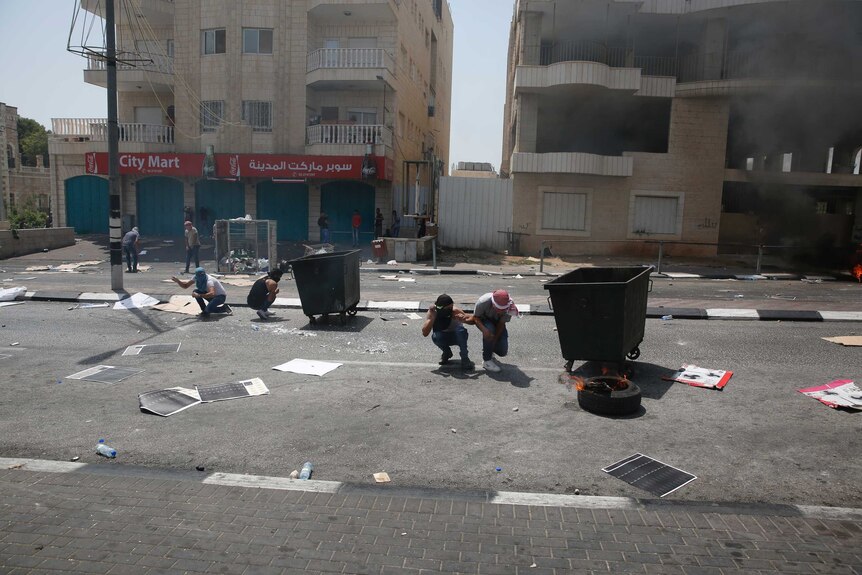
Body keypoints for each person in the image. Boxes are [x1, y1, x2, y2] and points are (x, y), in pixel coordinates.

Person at [422, 294, 474, 371]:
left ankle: (465, 357)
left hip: (458, 336)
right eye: (448, 308)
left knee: (461, 331)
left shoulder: (454, 311)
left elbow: (473, 321)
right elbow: (425, 333)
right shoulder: (434, 312)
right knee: (436, 336)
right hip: (443, 337)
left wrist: (463, 319)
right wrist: (433, 318)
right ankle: (447, 352)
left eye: (451, 307)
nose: (450, 309)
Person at [472, 289, 519, 373]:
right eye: (498, 308)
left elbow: (501, 324)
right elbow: (475, 317)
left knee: (502, 351)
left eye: (503, 309)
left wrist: (495, 340)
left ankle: (490, 349)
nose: (501, 311)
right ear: (493, 303)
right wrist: (484, 330)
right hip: (483, 320)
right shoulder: (483, 301)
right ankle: (487, 361)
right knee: (490, 330)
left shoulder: (510, 306)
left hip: (497, 322)